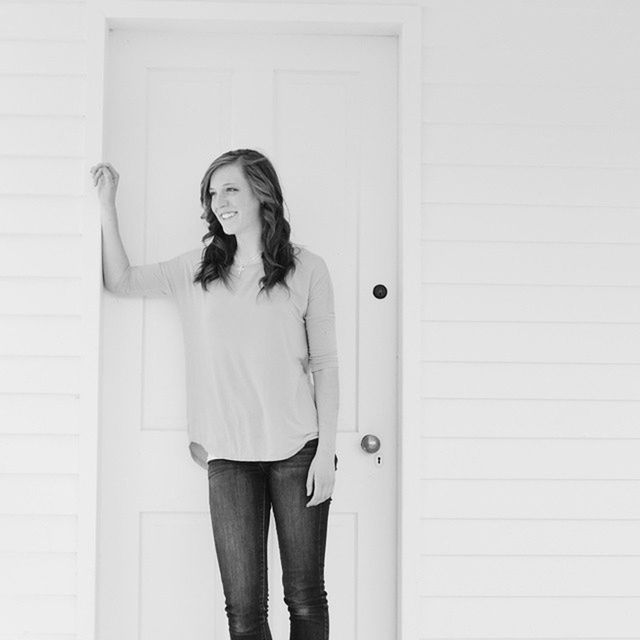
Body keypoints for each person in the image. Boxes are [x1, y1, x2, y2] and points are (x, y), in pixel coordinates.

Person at [90, 148, 339, 640]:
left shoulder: (307, 269)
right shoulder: (197, 269)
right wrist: (106, 205)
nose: (219, 201)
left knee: (305, 598)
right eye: (212, 192)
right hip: (227, 455)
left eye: (231, 189)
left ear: (261, 195)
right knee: (244, 611)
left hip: (298, 452)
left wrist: (327, 452)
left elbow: (326, 364)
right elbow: (119, 280)